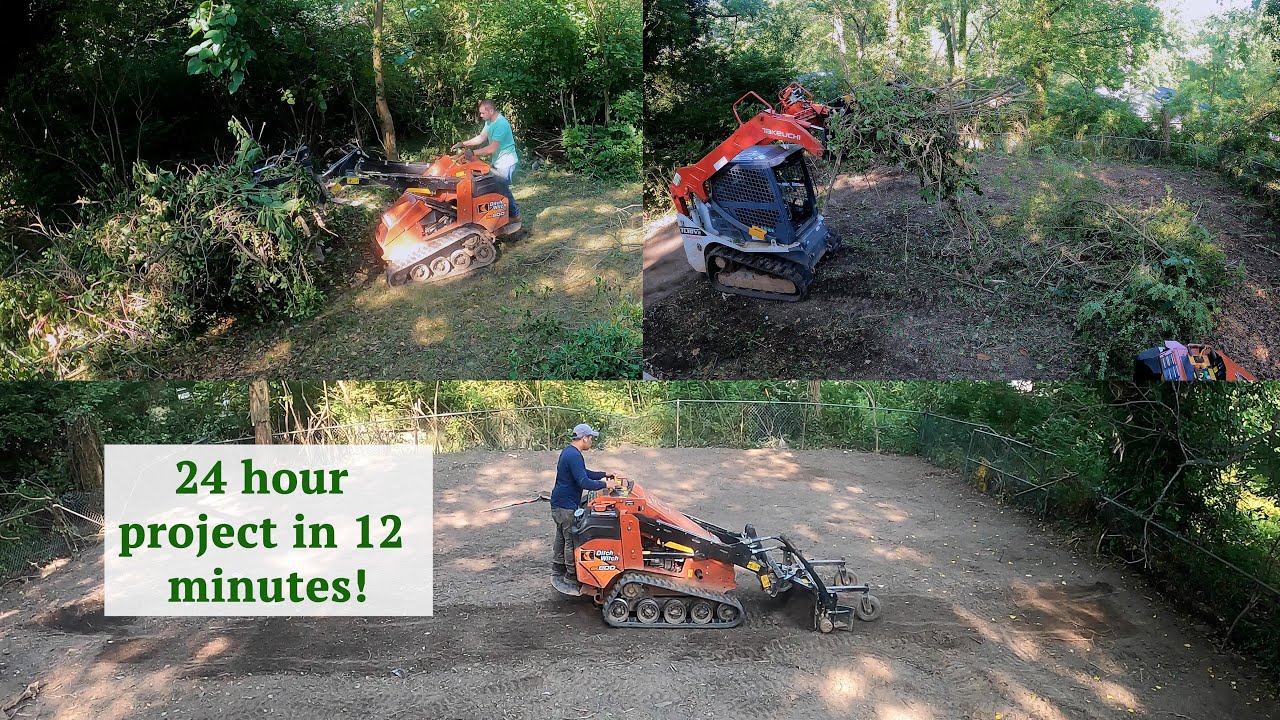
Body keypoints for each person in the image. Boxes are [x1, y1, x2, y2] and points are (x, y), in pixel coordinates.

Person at [550, 423, 617, 586]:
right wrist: (605, 485)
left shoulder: (570, 451)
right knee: (571, 538)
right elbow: (583, 481)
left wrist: (603, 474)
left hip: (559, 502)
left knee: (561, 535)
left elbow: (583, 472)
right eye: (591, 438)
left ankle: (558, 567)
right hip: (566, 505)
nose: (592, 441)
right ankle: (572, 576)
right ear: (584, 438)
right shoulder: (574, 455)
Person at [451, 99, 522, 230]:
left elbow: (491, 149)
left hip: (506, 162)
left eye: (483, 113)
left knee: (503, 189)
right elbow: (481, 138)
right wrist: (464, 144)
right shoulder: (489, 122)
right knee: (497, 188)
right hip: (498, 161)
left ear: (491, 110)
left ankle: (515, 215)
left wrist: (473, 153)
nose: (481, 116)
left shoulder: (501, 124)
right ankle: (501, 214)